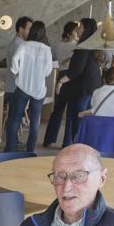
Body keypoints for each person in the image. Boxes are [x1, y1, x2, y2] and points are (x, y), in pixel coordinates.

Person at [45, 18, 102, 147]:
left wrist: (60, 82)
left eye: (80, 27)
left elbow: (76, 69)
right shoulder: (93, 45)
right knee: (81, 118)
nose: (78, 29)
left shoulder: (82, 47)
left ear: (86, 29)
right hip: (91, 87)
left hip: (80, 87)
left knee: (76, 118)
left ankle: (75, 147)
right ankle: (72, 145)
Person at [4, 20, 54, 154]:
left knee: (15, 119)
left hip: (22, 87)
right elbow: (48, 71)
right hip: (38, 90)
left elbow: (14, 64)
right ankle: (30, 151)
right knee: (34, 122)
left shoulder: (24, 46)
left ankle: (9, 149)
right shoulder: (47, 50)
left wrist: (17, 74)